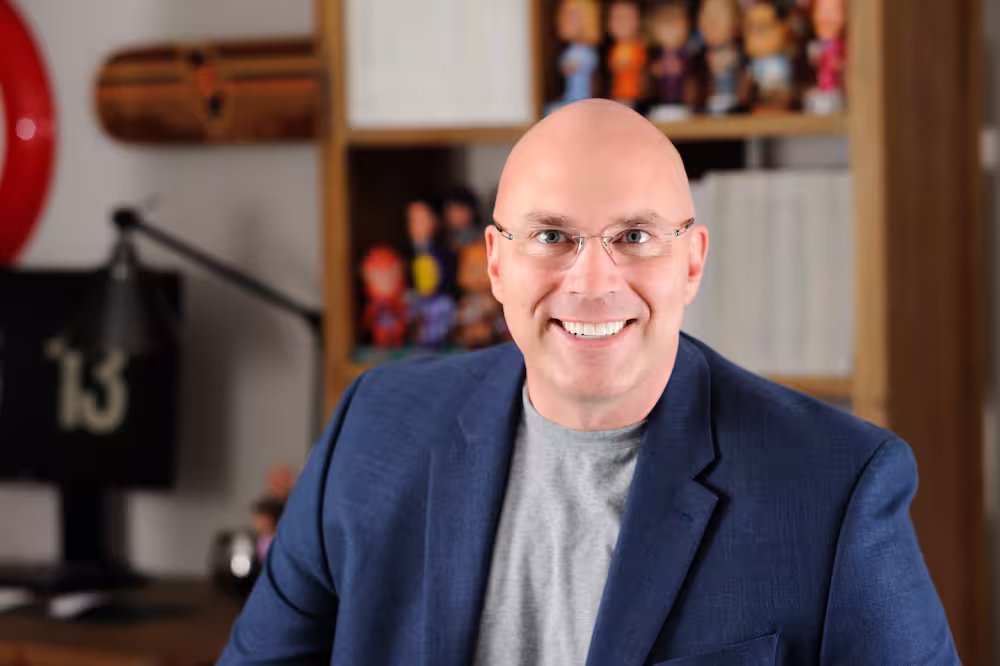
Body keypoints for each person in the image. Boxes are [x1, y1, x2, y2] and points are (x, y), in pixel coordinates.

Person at [218, 99, 958, 665]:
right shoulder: (373, 428)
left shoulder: (836, 486)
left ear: (692, 262)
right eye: (552, 237)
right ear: (496, 263)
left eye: (634, 237)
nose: (594, 281)